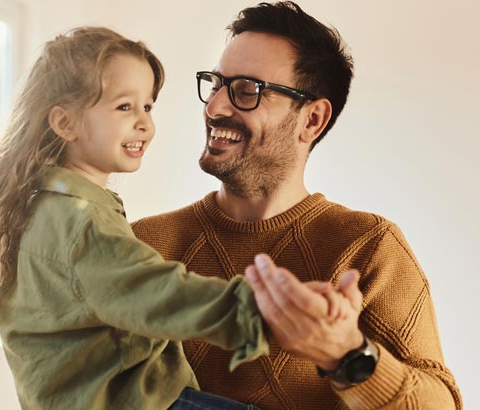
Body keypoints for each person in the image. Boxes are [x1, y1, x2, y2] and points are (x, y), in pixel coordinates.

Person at [0, 26, 345, 410]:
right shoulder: (79, 221)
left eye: (148, 107)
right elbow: (154, 291)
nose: (144, 124)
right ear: (66, 123)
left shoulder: (47, 206)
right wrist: (263, 311)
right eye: (124, 108)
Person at [131, 2, 462, 409]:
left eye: (247, 91)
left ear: (312, 120)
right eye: (216, 83)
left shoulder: (368, 248)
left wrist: (346, 354)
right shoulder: (140, 246)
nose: (215, 107)